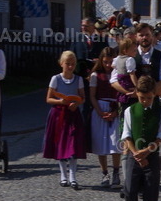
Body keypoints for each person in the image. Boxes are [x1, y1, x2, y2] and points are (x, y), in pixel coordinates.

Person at [121, 76, 161, 201]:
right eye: (142, 98)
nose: (146, 101)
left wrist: (147, 151)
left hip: (152, 156)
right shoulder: (130, 111)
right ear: (137, 94)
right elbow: (126, 135)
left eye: (149, 98)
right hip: (134, 156)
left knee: (151, 193)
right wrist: (136, 154)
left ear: (154, 95)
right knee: (130, 190)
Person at [42, 50, 86, 189]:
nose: (70, 67)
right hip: (59, 114)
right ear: (61, 64)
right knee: (60, 144)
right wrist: (61, 102)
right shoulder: (56, 79)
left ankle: (73, 176)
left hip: (73, 114)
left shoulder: (78, 79)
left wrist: (77, 103)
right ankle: (63, 175)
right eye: (67, 64)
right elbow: (48, 98)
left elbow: (83, 98)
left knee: (73, 144)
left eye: (73, 64)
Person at [87, 47, 123, 188]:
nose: (108, 65)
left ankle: (116, 172)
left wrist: (116, 112)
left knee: (116, 143)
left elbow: (121, 95)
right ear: (101, 61)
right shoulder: (96, 75)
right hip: (100, 109)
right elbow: (92, 96)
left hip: (115, 108)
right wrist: (100, 112)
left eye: (111, 62)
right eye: (106, 62)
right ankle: (104, 172)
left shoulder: (118, 74)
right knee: (100, 143)